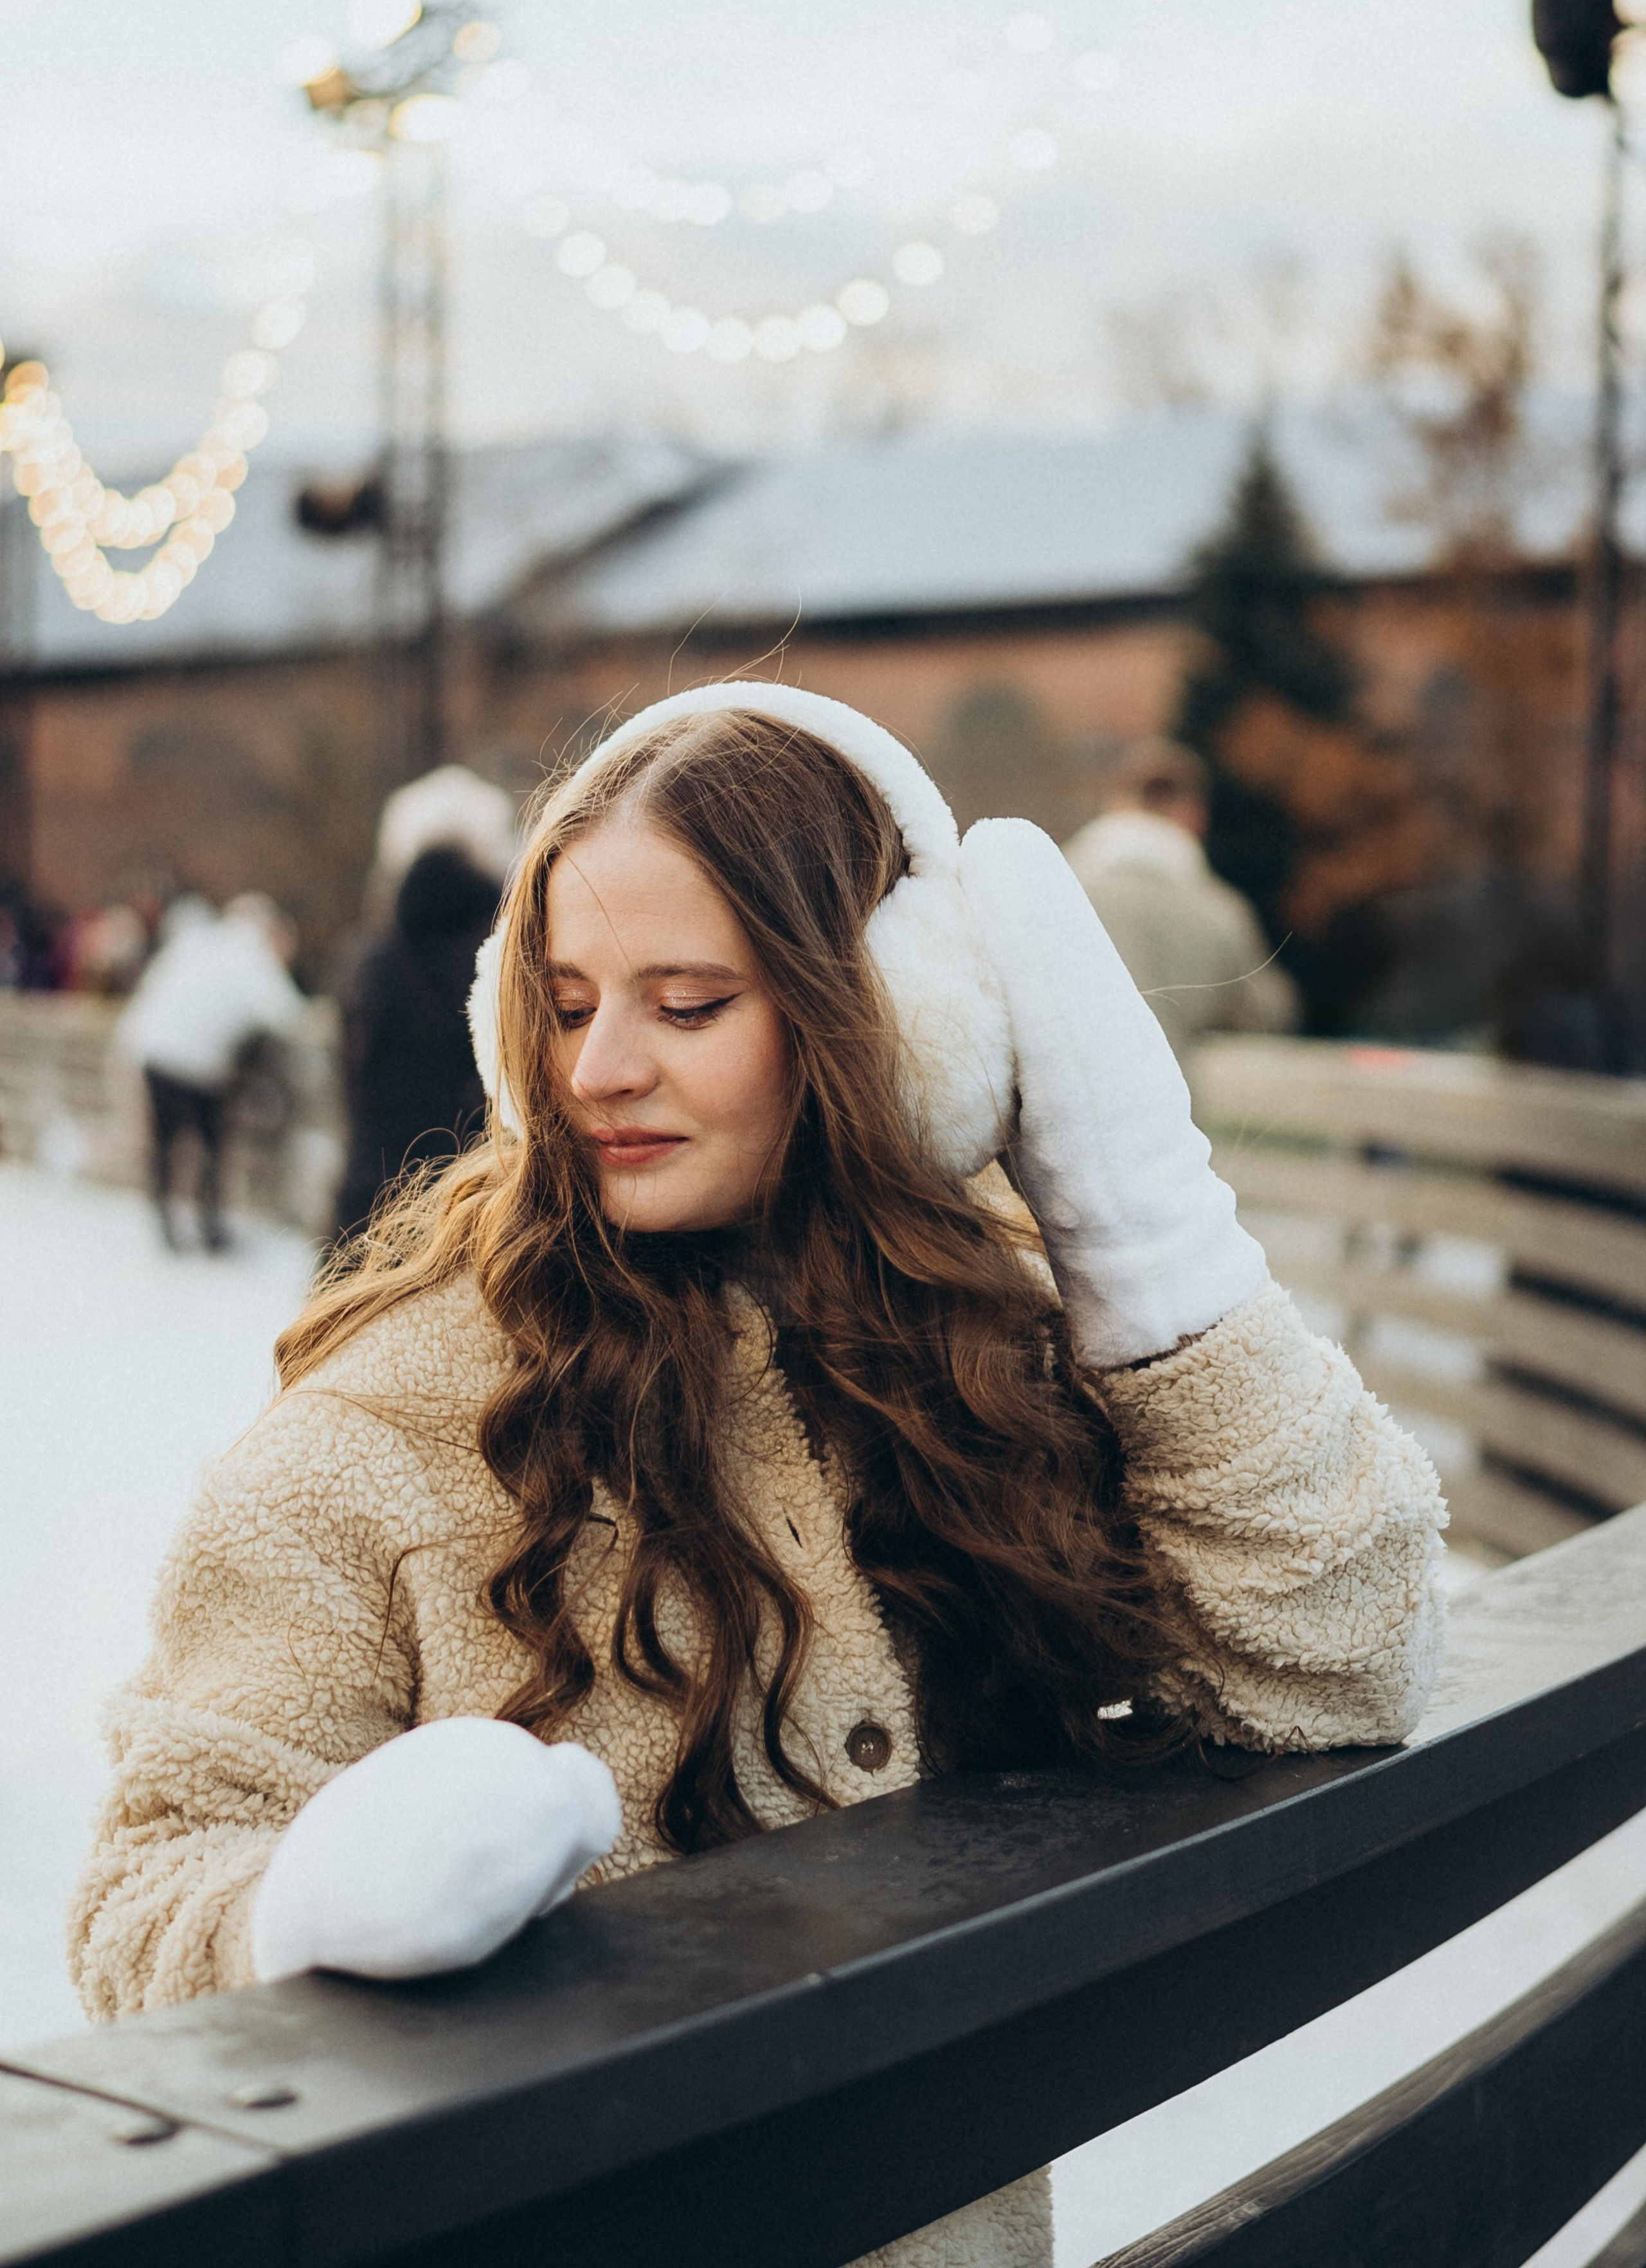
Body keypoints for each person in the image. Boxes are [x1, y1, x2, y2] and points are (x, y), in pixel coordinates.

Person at [74, 685, 1445, 2268]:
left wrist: (1141, 1219)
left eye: (686, 1000)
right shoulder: (383, 1430)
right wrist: (302, 1910)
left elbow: (1340, 1650)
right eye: (568, 999)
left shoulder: (990, 1359)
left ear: (887, 1019)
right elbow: (143, 1896)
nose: (595, 1067)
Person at [333, 765, 516, 1238]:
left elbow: (351, 1077)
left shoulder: (373, 963)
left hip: (369, 1193)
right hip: (471, 1200)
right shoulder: (499, 962)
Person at [1062, 737, 1299, 1060]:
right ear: (1196, 815)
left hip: (1053, 1099)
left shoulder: (1054, 886)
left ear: (1115, 802)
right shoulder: (1220, 912)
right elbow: (1271, 1015)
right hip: (1164, 1101)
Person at [115, 893, 307, 1251]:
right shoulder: (255, 957)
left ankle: (168, 1226)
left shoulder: (198, 939)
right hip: (202, 1066)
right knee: (210, 1147)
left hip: (156, 1051)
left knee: (166, 1145)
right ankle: (211, 1229)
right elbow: (287, 1015)